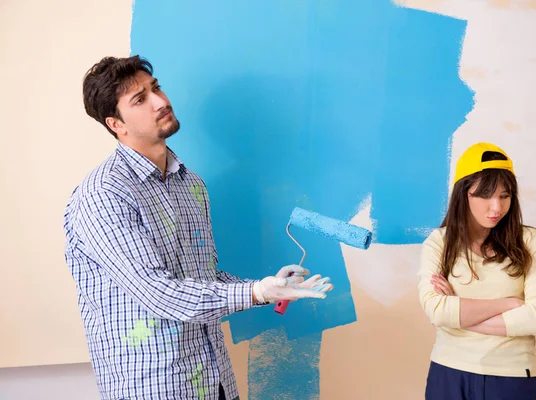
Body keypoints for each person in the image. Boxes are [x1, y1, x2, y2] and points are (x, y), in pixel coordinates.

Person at [63, 55, 334, 400]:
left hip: (214, 378)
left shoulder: (190, 184)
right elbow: (158, 293)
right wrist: (257, 293)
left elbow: (201, 277)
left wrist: (269, 287)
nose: (161, 101)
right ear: (116, 123)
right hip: (153, 387)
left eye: (155, 87)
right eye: (140, 99)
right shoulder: (103, 195)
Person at [417, 142, 536, 400]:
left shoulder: (528, 241)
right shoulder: (439, 242)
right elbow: (436, 311)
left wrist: (458, 317)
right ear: (463, 193)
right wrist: (512, 303)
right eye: (485, 195)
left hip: (514, 377)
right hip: (448, 375)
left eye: (505, 196)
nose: (496, 208)